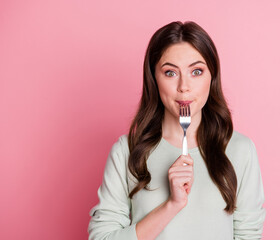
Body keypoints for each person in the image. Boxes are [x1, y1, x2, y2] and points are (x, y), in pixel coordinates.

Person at [88, 21, 266, 240]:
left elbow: (248, 235)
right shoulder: (126, 150)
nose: (184, 86)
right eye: (171, 73)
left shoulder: (240, 150)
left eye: (197, 71)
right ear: (154, 79)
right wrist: (172, 205)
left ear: (212, 78)